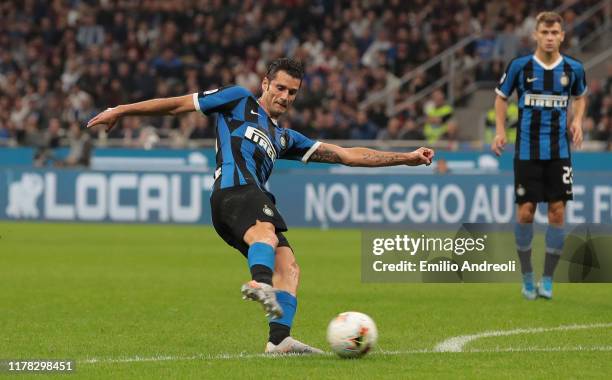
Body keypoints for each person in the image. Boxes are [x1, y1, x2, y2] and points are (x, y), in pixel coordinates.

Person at [87, 58, 434, 354]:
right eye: (280, 88)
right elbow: (177, 104)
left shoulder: (285, 138)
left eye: (292, 92)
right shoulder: (238, 100)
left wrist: (406, 158)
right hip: (234, 190)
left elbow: (347, 156)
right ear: (265, 83)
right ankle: (260, 282)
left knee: (291, 267)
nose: (285, 97)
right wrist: (121, 110)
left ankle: (279, 341)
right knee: (265, 235)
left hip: (249, 199)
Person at [491, 12, 587, 300]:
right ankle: (527, 276)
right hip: (526, 152)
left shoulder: (574, 68)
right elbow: (500, 97)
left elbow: (581, 96)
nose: (549, 37)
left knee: (557, 212)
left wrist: (578, 121)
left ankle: (547, 279)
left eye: (554, 32)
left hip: (559, 153)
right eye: (544, 32)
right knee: (526, 212)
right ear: (535, 34)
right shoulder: (520, 66)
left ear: (562, 36)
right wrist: (499, 130)